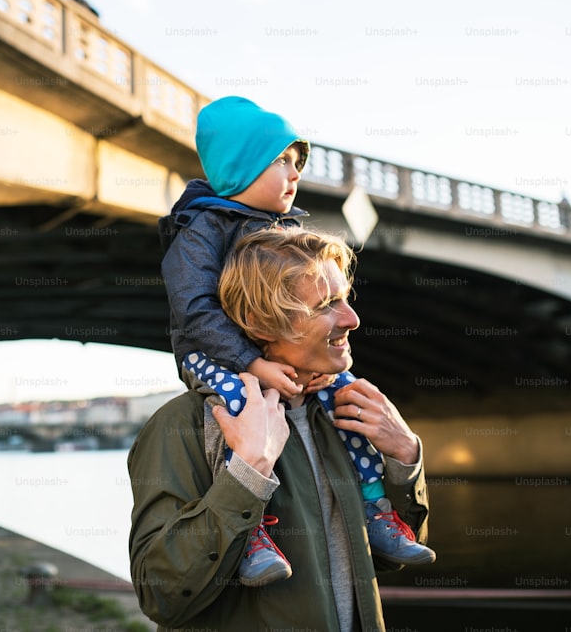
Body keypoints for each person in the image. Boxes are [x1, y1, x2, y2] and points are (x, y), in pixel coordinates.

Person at [158, 96, 434, 586]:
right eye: (281, 160)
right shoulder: (200, 231)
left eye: (297, 161)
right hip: (216, 359)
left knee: (347, 400)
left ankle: (377, 511)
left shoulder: (281, 231)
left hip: (264, 362)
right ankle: (254, 534)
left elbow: (387, 571)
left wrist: (405, 458)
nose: (295, 172)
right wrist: (250, 363)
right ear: (240, 168)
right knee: (238, 399)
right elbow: (195, 311)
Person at [130, 227, 431, 630]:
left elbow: (390, 557)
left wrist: (404, 458)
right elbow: (161, 595)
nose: (352, 319)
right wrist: (245, 476)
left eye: (345, 298)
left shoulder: (343, 418)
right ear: (260, 323)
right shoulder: (184, 425)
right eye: (326, 304)